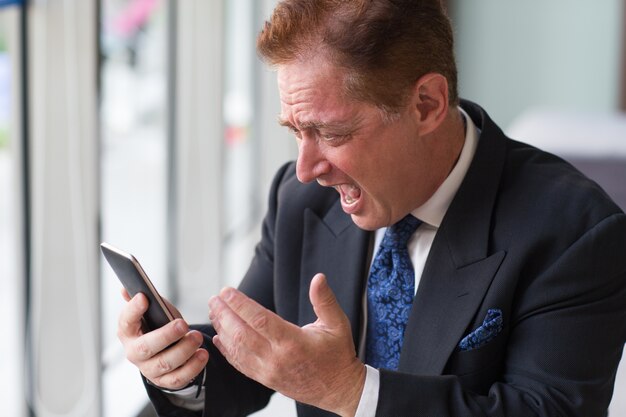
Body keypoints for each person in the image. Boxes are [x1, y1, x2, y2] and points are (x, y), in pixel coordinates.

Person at [116, 1, 626, 416]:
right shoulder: (302, 200)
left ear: (426, 104)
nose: (305, 168)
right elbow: (256, 367)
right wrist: (179, 367)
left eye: (331, 133)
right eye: (296, 132)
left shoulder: (576, 231)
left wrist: (351, 392)